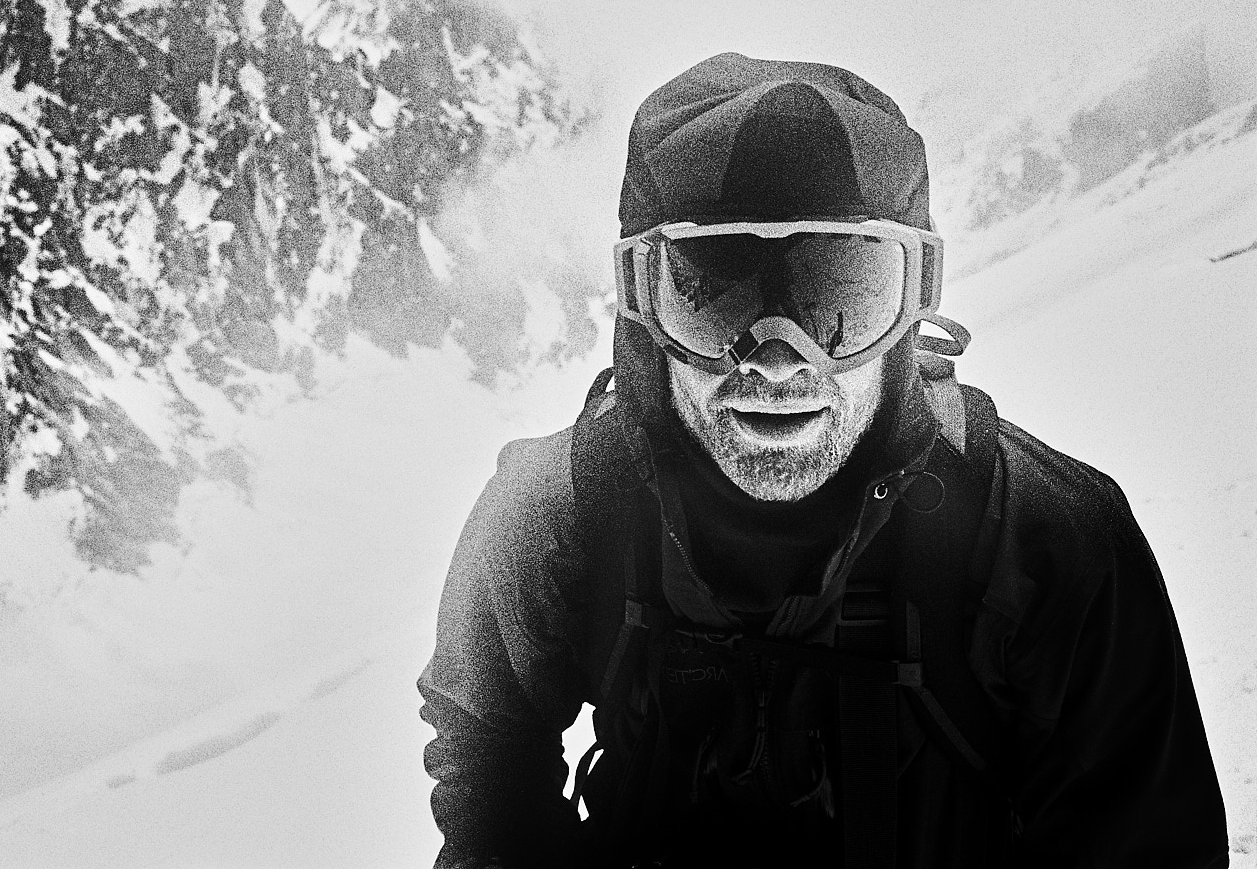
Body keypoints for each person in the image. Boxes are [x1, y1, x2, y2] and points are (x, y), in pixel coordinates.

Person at [418, 53, 1228, 868]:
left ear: (915, 303)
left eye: (841, 296)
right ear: (640, 305)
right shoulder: (558, 514)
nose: (777, 360)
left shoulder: (1049, 548)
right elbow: (486, 738)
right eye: (714, 291)